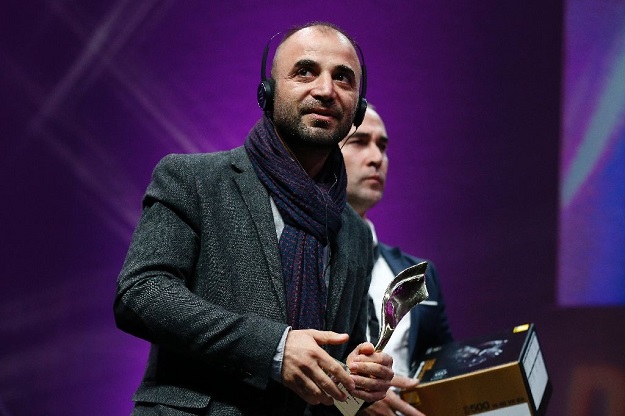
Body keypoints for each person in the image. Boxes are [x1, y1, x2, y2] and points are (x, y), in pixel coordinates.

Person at [114, 22, 394, 416]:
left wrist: (360, 381)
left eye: (343, 79)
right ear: (268, 93)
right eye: (305, 72)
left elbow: (338, 359)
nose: (326, 90)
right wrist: (275, 348)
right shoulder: (194, 179)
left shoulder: (354, 232)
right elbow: (140, 294)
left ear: (358, 110)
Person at [340, 106, 453, 416]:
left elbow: (445, 368)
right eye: (360, 142)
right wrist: (352, 403)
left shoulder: (416, 274)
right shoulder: (299, 263)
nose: (376, 157)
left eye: (382, 146)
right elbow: (283, 370)